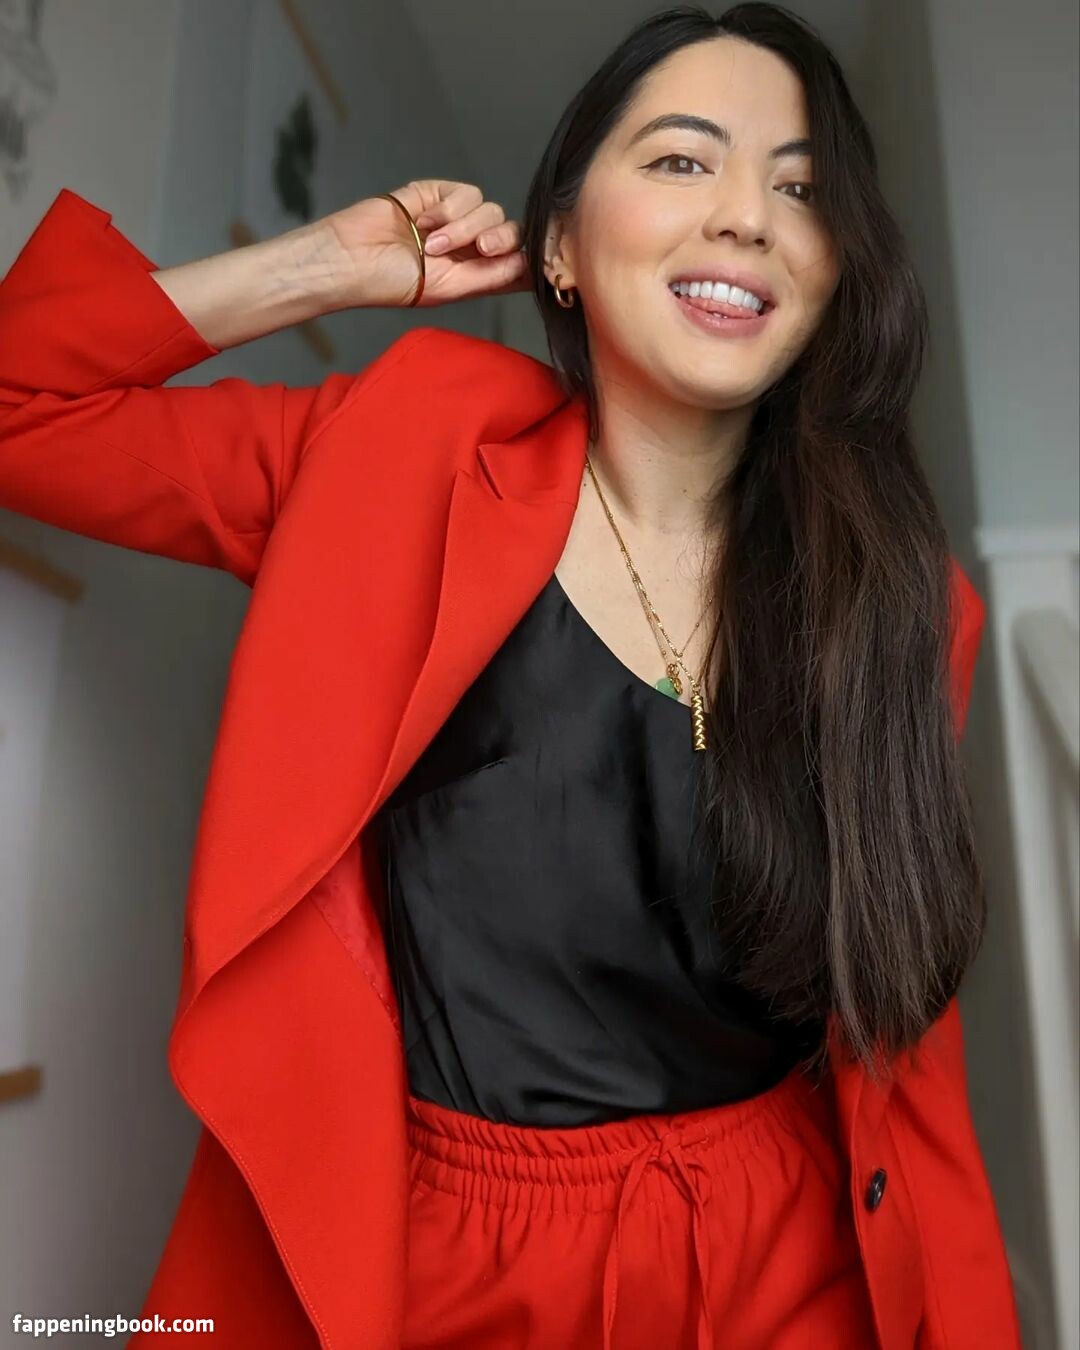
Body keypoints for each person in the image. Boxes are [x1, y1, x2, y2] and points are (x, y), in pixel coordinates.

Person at [0, 3, 1022, 1347]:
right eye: (682, 160)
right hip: (453, 1263)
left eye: (801, 188)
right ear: (559, 244)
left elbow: (908, 1051)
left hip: (792, 1252)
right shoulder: (394, 459)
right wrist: (322, 267)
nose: (746, 217)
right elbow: (21, 407)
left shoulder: (902, 601)